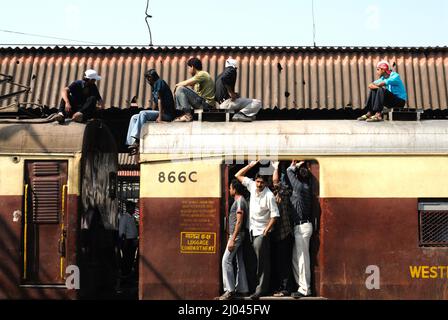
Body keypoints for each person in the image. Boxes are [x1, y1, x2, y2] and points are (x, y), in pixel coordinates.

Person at [235, 160, 279, 300]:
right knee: (253, 261)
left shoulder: (269, 196)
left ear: (266, 183)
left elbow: (275, 215)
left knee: (262, 262)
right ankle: (254, 287)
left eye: (261, 182)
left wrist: (266, 230)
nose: (259, 184)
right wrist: (251, 165)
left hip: (261, 232)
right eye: (258, 181)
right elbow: (238, 175)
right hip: (251, 230)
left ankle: (260, 290)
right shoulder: (252, 186)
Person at [126, 69, 176, 154]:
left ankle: (137, 140)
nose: (147, 81)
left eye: (147, 79)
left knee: (143, 113)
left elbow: (160, 100)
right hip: (160, 113)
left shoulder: (159, 82)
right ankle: (131, 143)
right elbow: (155, 102)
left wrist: (159, 117)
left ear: (150, 78)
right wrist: (152, 114)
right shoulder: (154, 86)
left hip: (167, 114)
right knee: (134, 117)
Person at [218, 179, 249, 300]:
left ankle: (229, 291)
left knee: (226, 260)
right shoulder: (240, 201)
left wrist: (232, 238)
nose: (229, 190)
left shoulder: (240, 201)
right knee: (239, 261)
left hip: (237, 235)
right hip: (239, 235)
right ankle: (243, 289)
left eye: (230, 188)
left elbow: (239, 221)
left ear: (234, 189)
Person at [287, 161, 313, 298]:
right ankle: (301, 286)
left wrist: (294, 166)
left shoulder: (300, 187)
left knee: (302, 259)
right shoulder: (305, 186)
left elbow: (288, 171)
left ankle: (305, 289)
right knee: (296, 259)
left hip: (303, 226)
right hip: (300, 226)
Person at [271, 161, 294, 297]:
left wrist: (275, 168)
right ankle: (282, 287)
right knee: (281, 262)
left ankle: (285, 288)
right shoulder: (279, 196)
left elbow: (275, 182)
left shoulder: (283, 194)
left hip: (283, 234)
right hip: (280, 234)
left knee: (284, 263)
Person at [215, 58, 262, 122]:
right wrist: (231, 93)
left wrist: (233, 94)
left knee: (240, 100)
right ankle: (240, 115)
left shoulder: (219, 76)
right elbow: (224, 79)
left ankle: (244, 115)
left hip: (221, 105)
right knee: (257, 102)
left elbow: (218, 91)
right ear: (235, 66)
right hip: (227, 103)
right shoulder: (231, 69)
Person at [173, 57, 215, 122]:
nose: (188, 70)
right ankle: (181, 113)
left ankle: (187, 115)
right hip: (202, 103)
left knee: (180, 88)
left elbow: (186, 83)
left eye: (189, 68)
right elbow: (190, 86)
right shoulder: (198, 78)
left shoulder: (202, 74)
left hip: (206, 105)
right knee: (181, 89)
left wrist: (176, 85)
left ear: (192, 67)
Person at [119, 201, 138, 277]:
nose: (134, 209)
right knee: (127, 259)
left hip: (132, 241)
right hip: (127, 241)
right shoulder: (124, 218)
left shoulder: (132, 218)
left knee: (131, 258)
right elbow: (121, 231)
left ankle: (128, 274)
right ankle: (125, 274)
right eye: (133, 207)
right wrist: (124, 241)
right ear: (128, 208)